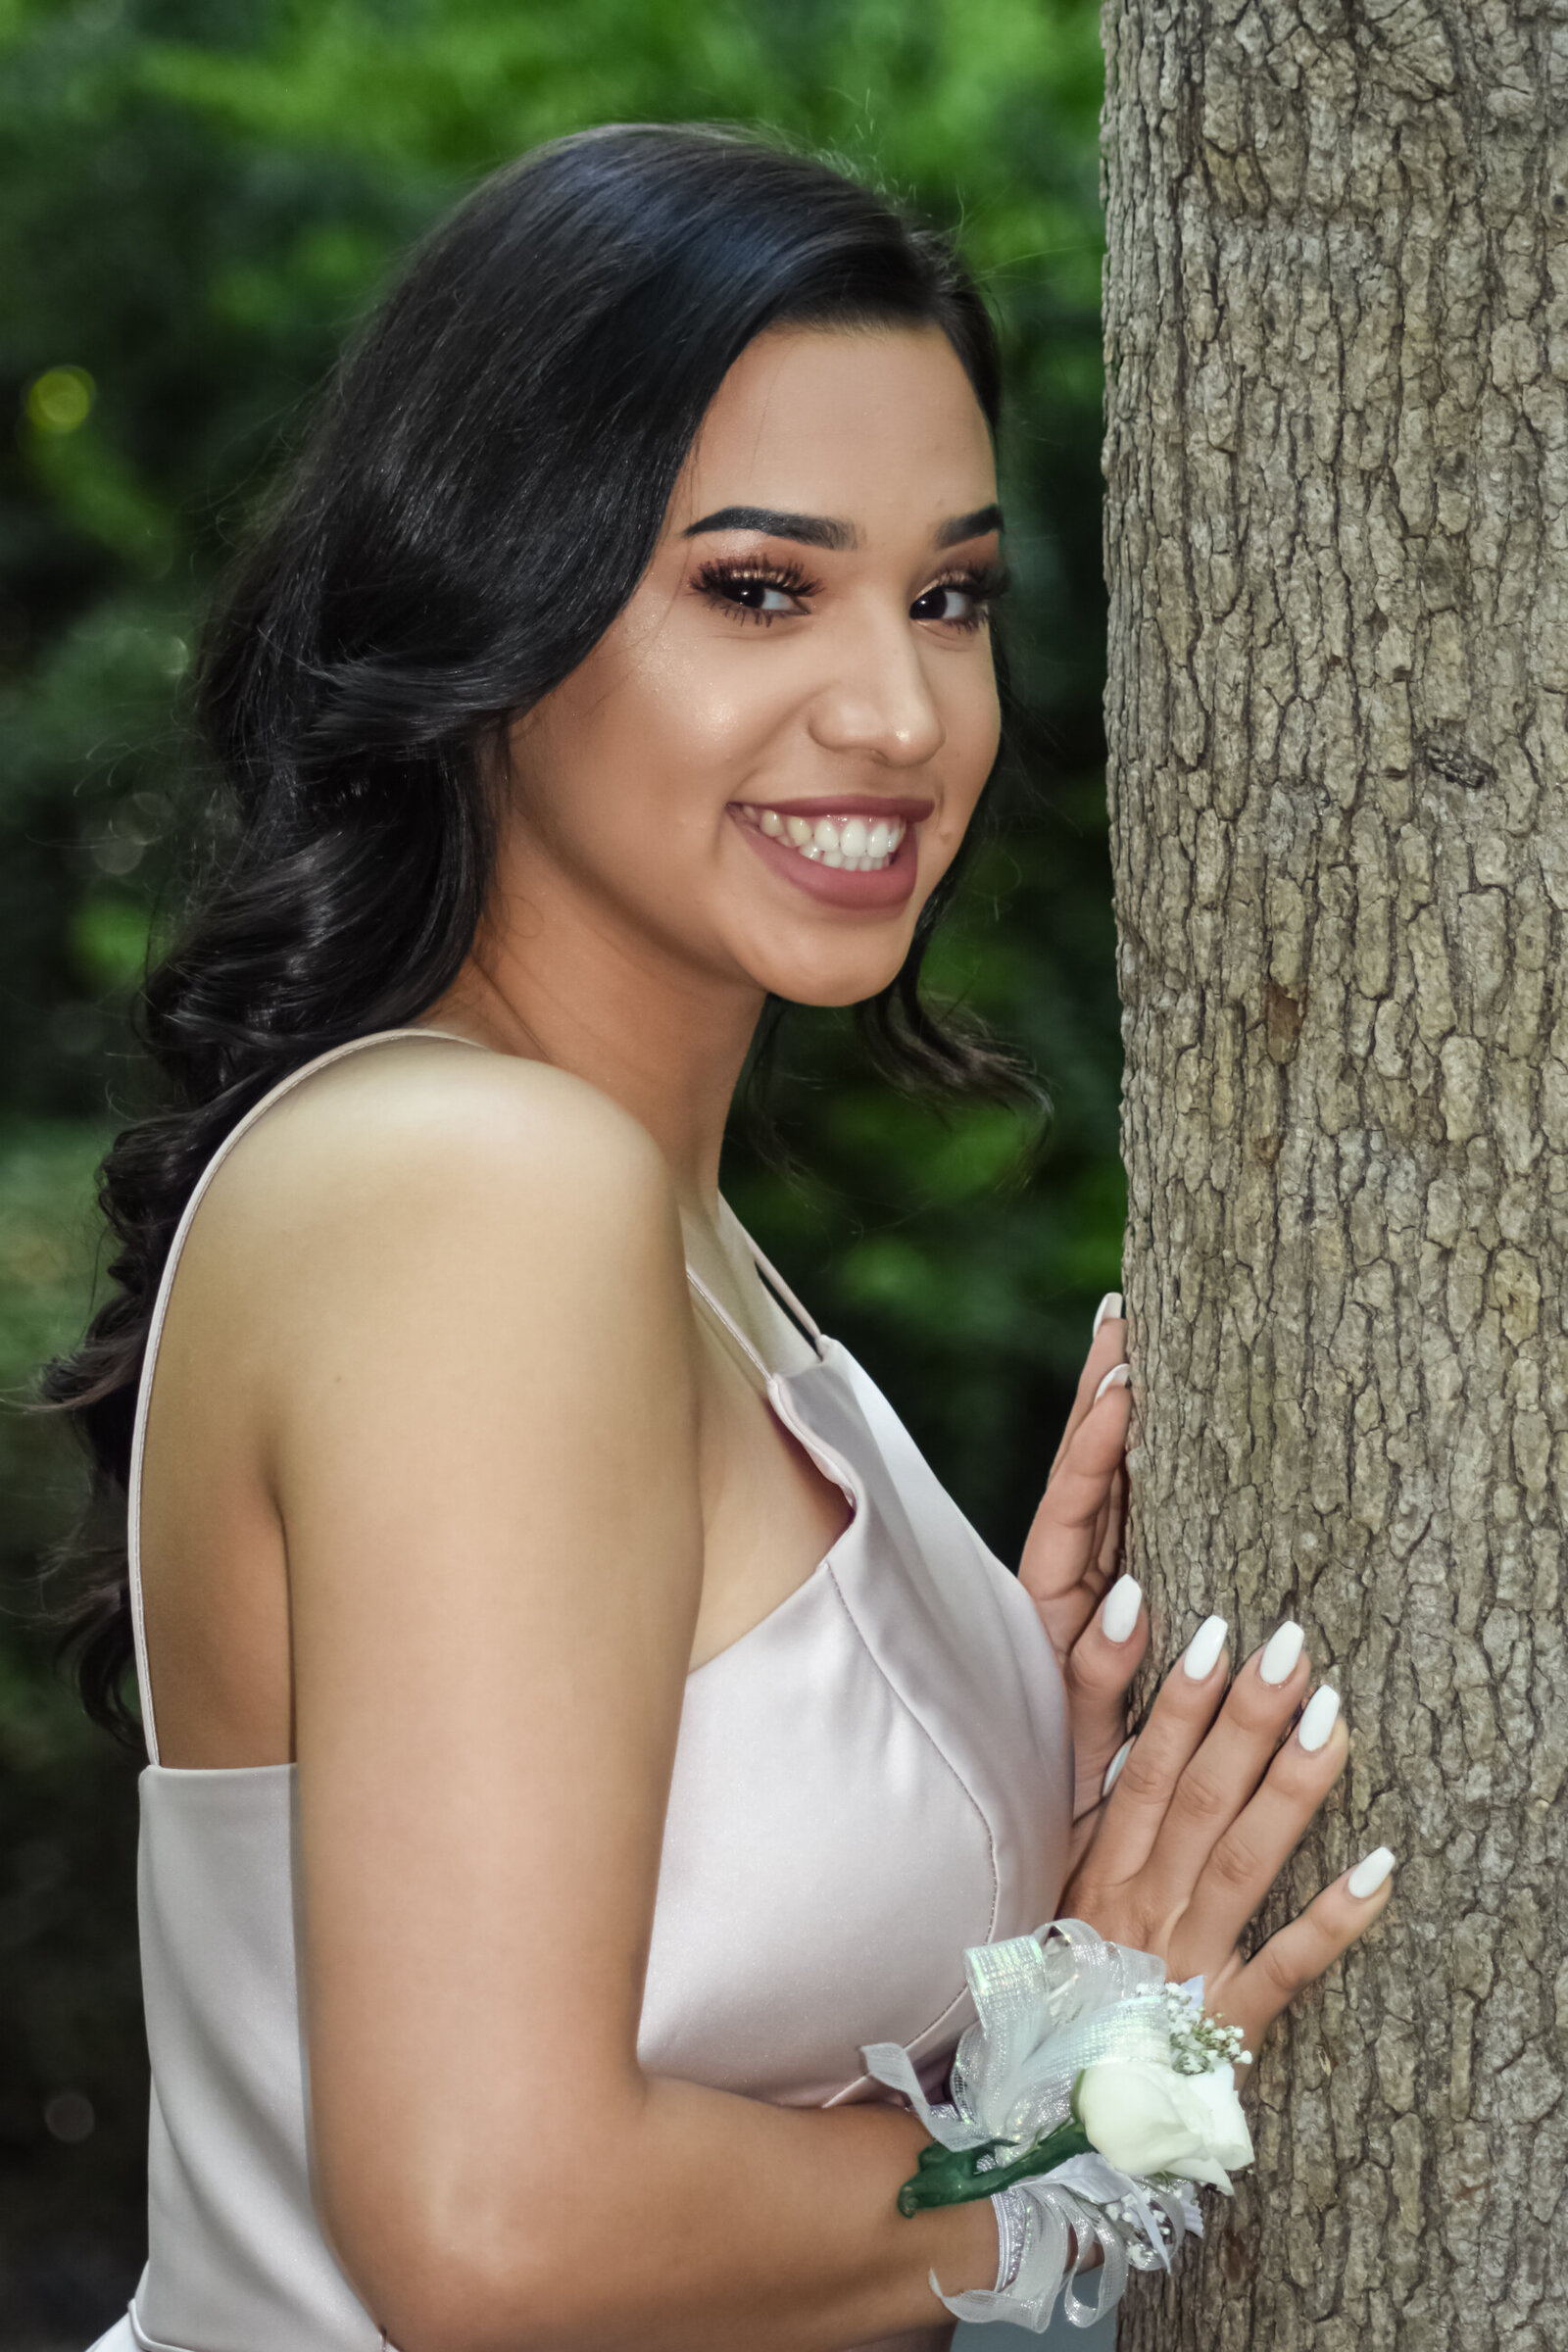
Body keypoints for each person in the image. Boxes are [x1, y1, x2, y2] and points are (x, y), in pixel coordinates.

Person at [50, 124, 1393, 2352]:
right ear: (498, 604)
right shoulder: (485, 1193)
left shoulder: (633, 1217)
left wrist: (973, 1777)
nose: (895, 711)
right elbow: (494, 2229)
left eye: (945, 593)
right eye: (758, 588)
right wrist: (1090, 2103)